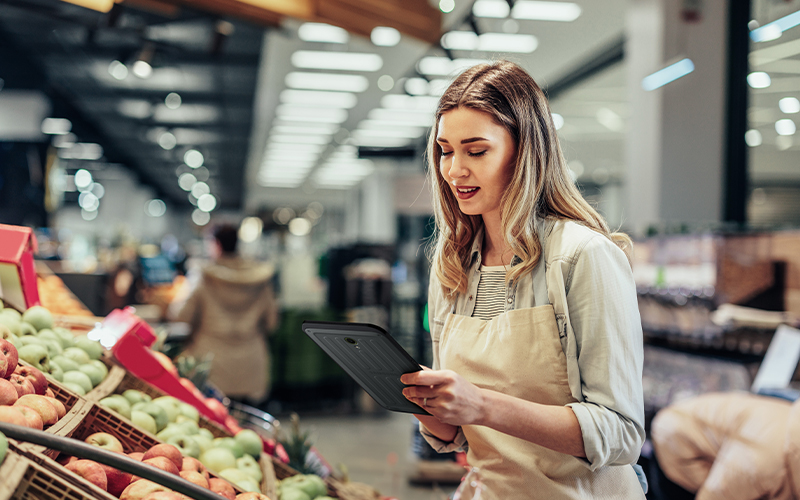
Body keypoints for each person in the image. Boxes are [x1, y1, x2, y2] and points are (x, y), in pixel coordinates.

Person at [400, 61, 646, 498]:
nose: (454, 170)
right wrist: (428, 405)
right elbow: (461, 435)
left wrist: (482, 405)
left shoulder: (584, 257)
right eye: (445, 150)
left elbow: (621, 431)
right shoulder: (453, 263)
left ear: (525, 151)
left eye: (476, 151)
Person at [174, 223, 279, 405]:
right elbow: (272, 322)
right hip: (250, 364)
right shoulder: (259, 279)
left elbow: (182, 315)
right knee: (247, 426)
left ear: (216, 244)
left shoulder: (204, 277)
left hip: (210, 364)